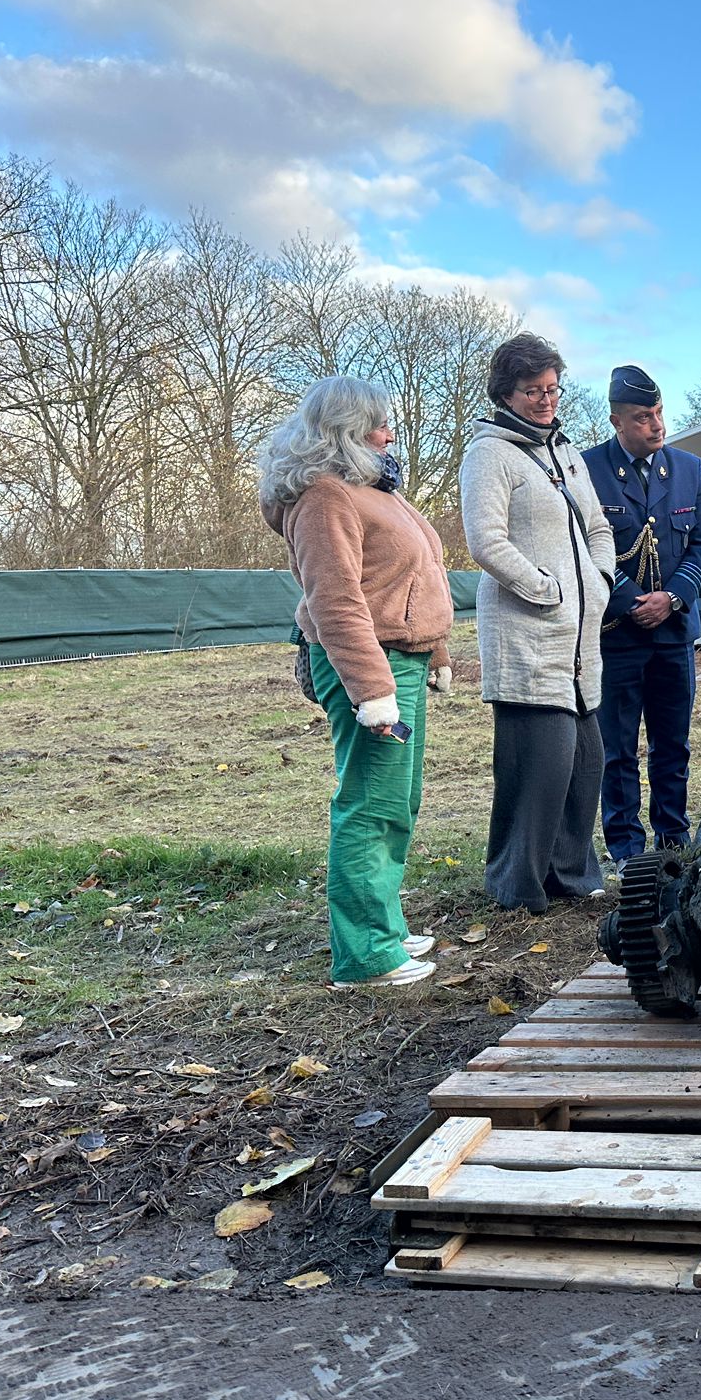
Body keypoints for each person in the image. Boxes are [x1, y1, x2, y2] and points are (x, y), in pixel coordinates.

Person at [259, 376, 452, 988]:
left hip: (403, 658)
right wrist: (371, 690)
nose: (388, 431)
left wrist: (437, 649)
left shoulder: (371, 489)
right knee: (371, 804)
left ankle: (382, 926)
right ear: (342, 429)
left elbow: (416, 576)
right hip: (370, 663)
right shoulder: (323, 496)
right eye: (376, 422)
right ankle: (366, 955)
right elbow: (336, 598)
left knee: (397, 802)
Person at [460, 333, 616, 913]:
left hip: (580, 637)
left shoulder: (568, 454)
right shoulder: (489, 454)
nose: (546, 400)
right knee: (537, 768)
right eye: (532, 391)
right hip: (527, 632)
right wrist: (545, 590)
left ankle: (570, 875)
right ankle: (516, 883)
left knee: (584, 766)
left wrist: (598, 583)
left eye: (552, 389)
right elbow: (485, 540)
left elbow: (597, 527)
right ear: (506, 392)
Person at [582, 366, 701, 861]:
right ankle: (626, 850)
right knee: (616, 750)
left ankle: (674, 840)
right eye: (642, 417)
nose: (656, 425)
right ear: (617, 420)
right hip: (619, 633)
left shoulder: (689, 469)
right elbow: (584, 549)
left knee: (672, 746)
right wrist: (633, 600)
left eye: (659, 413)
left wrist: (674, 597)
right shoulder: (586, 470)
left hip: (674, 633)